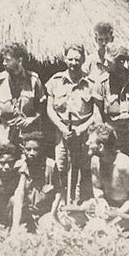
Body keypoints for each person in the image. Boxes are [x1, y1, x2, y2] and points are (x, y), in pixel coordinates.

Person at [46, 44, 101, 204]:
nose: (74, 63)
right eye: (70, 59)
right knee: (62, 167)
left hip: (84, 134)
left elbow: (97, 112)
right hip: (62, 132)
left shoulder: (91, 83)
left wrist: (82, 128)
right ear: (65, 59)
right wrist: (62, 128)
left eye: (77, 59)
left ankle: (80, 202)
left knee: (84, 167)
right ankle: (62, 201)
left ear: (83, 60)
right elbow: (49, 109)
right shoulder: (55, 81)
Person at [94, 46, 129, 157]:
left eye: (109, 62)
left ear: (121, 62)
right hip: (113, 140)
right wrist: (103, 137)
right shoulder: (101, 83)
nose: (105, 64)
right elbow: (97, 113)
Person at [86, 123, 129, 230]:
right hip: (107, 208)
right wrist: (102, 202)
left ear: (101, 147)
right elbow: (97, 187)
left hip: (126, 211)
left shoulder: (124, 165)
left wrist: (118, 213)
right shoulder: (95, 161)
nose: (86, 143)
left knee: (103, 231)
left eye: (90, 141)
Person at [0, 43, 45, 145]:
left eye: (8, 60)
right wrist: (1, 137)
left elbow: (42, 105)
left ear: (19, 61)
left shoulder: (33, 80)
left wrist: (32, 119)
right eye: (4, 60)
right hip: (4, 136)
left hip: (27, 138)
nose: (4, 63)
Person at [10, 132, 63, 233]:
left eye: (36, 149)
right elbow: (19, 195)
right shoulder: (19, 166)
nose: (32, 153)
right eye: (28, 149)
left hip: (44, 212)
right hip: (25, 211)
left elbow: (58, 191)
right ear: (23, 150)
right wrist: (15, 225)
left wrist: (53, 213)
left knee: (52, 231)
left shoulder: (51, 165)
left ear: (42, 149)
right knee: (13, 201)